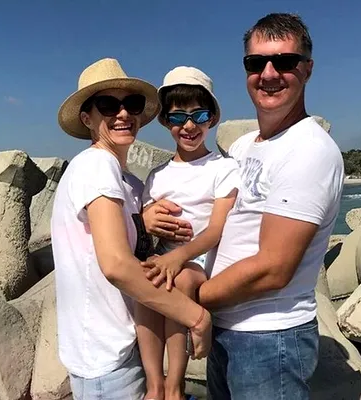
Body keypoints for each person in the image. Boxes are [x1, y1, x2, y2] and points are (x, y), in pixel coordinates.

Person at [195, 13, 345, 399]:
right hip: (225, 330)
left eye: (284, 61)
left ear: (307, 69)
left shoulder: (309, 150)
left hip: (269, 340)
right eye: (256, 62)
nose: (268, 73)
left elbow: (273, 269)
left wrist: (191, 299)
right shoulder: (243, 146)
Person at [51, 58, 212, 400]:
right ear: (87, 118)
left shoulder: (129, 184)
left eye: (132, 104)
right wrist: (196, 317)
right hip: (107, 357)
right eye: (108, 105)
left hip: (124, 346)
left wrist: (142, 219)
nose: (123, 114)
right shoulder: (97, 165)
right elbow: (117, 265)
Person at [135, 66, 239, 400]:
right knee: (142, 281)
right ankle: (155, 384)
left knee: (177, 280)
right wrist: (148, 220)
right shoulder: (157, 175)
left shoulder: (223, 168)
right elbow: (145, 228)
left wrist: (178, 257)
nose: (189, 126)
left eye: (199, 115)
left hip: (201, 261)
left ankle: (175, 385)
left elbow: (216, 230)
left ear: (212, 118)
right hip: (167, 256)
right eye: (178, 117)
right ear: (166, 121)